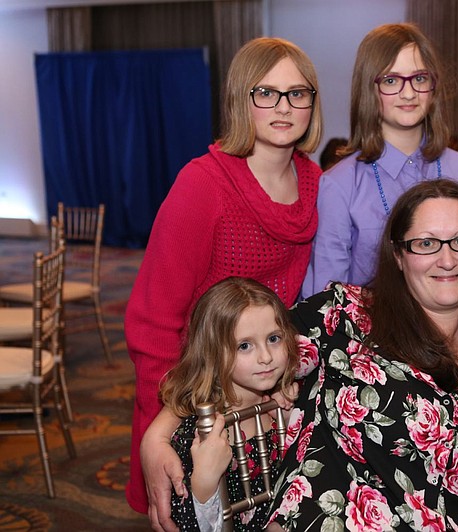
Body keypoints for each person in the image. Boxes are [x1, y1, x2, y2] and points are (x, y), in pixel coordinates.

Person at [141, 180, 458, 532]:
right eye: (426, 243)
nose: (446, 259)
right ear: (399, 255)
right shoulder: (348, 315)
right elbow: (235, 350)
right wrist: (158, 432)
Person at [125, 37, 323, 517]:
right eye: (266, 93)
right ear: (241, 99)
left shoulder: (317, 182)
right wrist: (161, 429)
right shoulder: (203, 185)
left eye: (298, 93)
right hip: (194, 401)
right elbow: (152, 323)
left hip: (264, 395)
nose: (283, 106)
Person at [301, 23, 458, 297]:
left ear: (433, 87)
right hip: (369, 336)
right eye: (391, 81)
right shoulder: (339, 185)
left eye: (419, 78)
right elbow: (326, 302)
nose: (408, 93)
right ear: (369, 90)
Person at [160, 277, 299, 531]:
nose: (266, 357)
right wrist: (204, 482)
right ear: (213, 353)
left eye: (274, 339)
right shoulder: (200, 435)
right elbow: (188, 525)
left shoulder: (285, 404)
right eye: (244, 346)